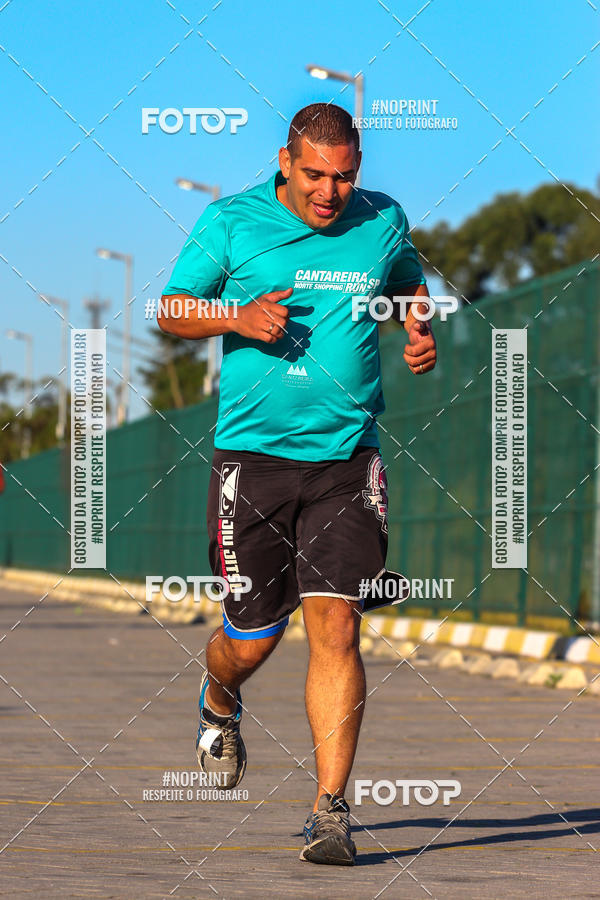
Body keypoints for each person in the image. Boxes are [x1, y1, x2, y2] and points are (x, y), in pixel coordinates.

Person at [159, 102, 436, 866]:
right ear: (286, 161)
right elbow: (171, 310)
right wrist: (235, 318)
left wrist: (417, 325)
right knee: (251, 639)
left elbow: (408, 279)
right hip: (251, 462)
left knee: (337, 622)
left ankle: (332, 811)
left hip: (349, 457)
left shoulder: (382, 219)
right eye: (316, 174)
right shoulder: (231, 221)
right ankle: (220, 700)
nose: (330, 192)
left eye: (345, 176)